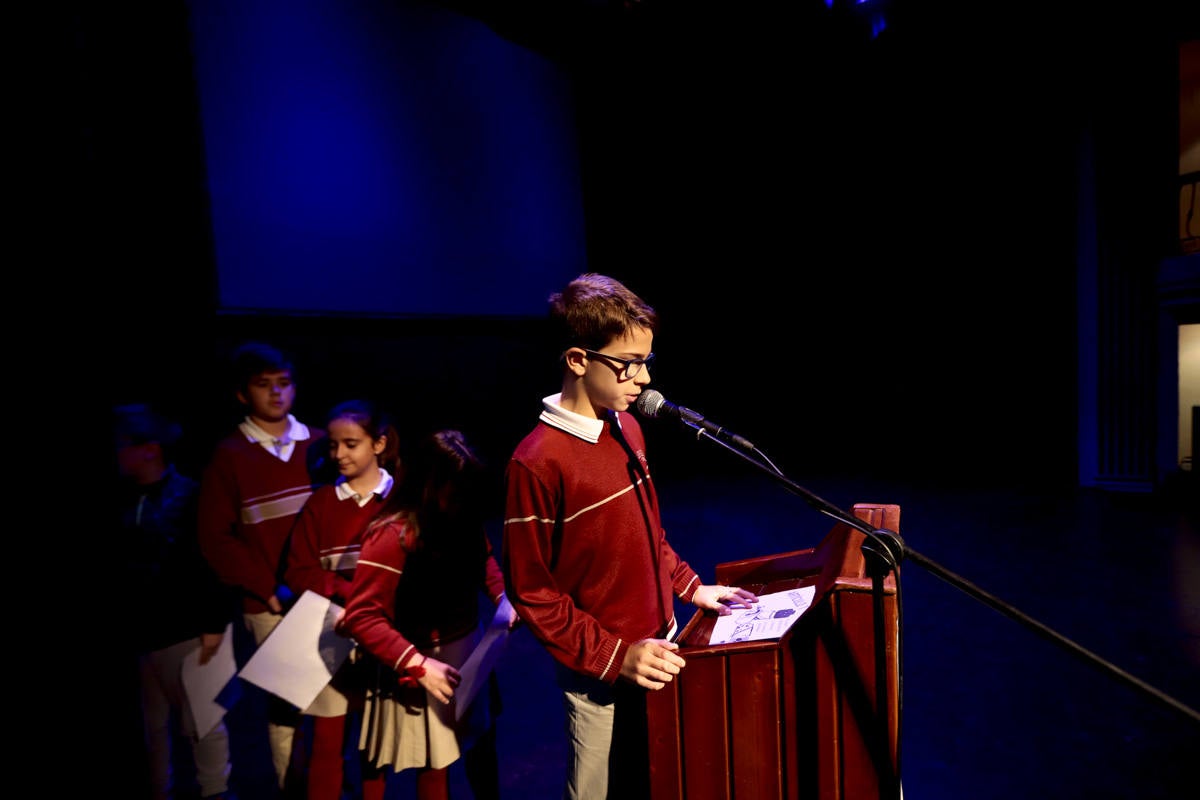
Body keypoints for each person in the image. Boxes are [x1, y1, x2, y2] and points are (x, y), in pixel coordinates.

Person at [500, 272, 758, 800]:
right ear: (577, 360)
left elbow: (646, 530)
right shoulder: (536, 463)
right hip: (599, 673)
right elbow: (532, 592)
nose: (642, 379)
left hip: (659, 648)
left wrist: (690, 588)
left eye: (646, 362)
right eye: (628, 364)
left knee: (657, 779)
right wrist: (617, 656)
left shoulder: (628, 427)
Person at [341, 429, 518, 800]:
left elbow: (483, 559)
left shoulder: (461, 515)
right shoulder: (393, 533)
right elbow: (361, 616)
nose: (462, 499)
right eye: (455, 490)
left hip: (468, 649)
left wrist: (502, 595)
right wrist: (417, 664)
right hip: (419, 659)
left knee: (479, 745)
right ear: (430, 484)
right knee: (431, 762)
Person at [197, 341, 328, 796]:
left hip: (327, 599)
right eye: (263, 385)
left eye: (284, 383)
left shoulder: (320, 443)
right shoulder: (230, 456)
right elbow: (215, 538)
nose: (276, 393)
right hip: (271, 605)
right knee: (289, 708)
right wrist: (265, 587)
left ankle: (332, 785)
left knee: (335, 705)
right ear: (241, 394)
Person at [114, 403, 238, 800]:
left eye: (123, 445)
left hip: (191, 629)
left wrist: (214, 624)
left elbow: (214, 559)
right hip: (145, 633)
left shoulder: (189, 496)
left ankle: (215, 791)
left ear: (149, 448)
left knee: (203, 719)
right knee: (153, 727)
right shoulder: (125, 500)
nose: (117, 454)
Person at [283, 400, 400, 800]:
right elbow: (298, 570)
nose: (339, 455)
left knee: (374, 748)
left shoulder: (400, 500)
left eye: (351, 444)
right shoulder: (320, 504)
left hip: (386, 640)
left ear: (379, 444)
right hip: (330, 637)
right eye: (334, 445)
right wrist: (344, 590)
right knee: (327, 743)